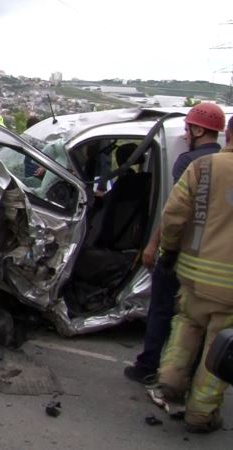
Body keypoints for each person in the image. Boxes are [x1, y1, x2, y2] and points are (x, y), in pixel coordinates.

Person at [124, 103, 226, 385]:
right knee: (207, 329)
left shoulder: (192, 164)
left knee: (163, 311)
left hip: (182, 255)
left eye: (188, 128)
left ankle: (149, 366)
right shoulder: (222, 163)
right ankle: (193, 378)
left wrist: (155, 247)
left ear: (198, 129)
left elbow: (173, 212)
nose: (185, 133)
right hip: (216, 263)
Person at [155, 110, 233, 433]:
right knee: (221, 345)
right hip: (230, 288)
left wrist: (168, 251)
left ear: (228, 135)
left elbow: (173, 215)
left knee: (186, 323)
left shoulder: (202, 167)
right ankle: (200, 414)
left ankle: (170, 380)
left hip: (192, 272)